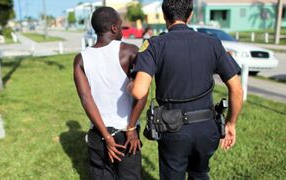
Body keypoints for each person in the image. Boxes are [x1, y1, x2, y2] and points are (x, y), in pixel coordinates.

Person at [128, 0, 243, 179]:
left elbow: (138, 91)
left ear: (164, 15)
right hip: (207, 129)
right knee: (200, 174)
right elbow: (236, 89)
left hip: (172, 130)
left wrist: (129, 84)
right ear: (190, 15)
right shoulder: (212, 43)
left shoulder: (154, 45)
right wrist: (231, 123)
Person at [73, 7, 146, 180]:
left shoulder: (81, 59)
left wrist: (106, 136)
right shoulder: (130, 51)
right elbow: (141, 93)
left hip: (98, 134)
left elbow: (86, 99)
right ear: (114, 28)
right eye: (121, 26)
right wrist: (131, 127)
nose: (121, 30)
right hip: (127, 136)